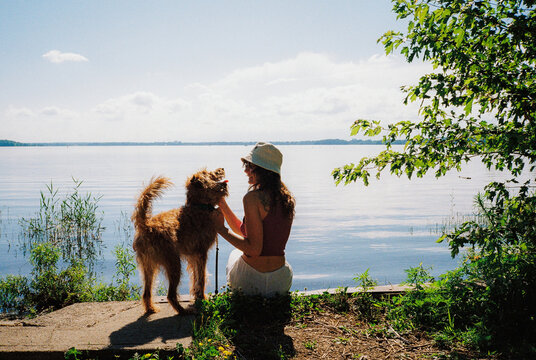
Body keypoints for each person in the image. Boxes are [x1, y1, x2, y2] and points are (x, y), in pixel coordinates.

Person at [213, 142, 296, 297]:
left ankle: (237, 299)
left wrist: (221, 229)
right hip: (280, 282)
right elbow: (246, 233)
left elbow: (253, 250)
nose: (245, 171)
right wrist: (222, 204)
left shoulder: (252, 198)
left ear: (263, 171)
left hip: (250, 282)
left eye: (250, 167)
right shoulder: (287, 198)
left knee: (234, 253)